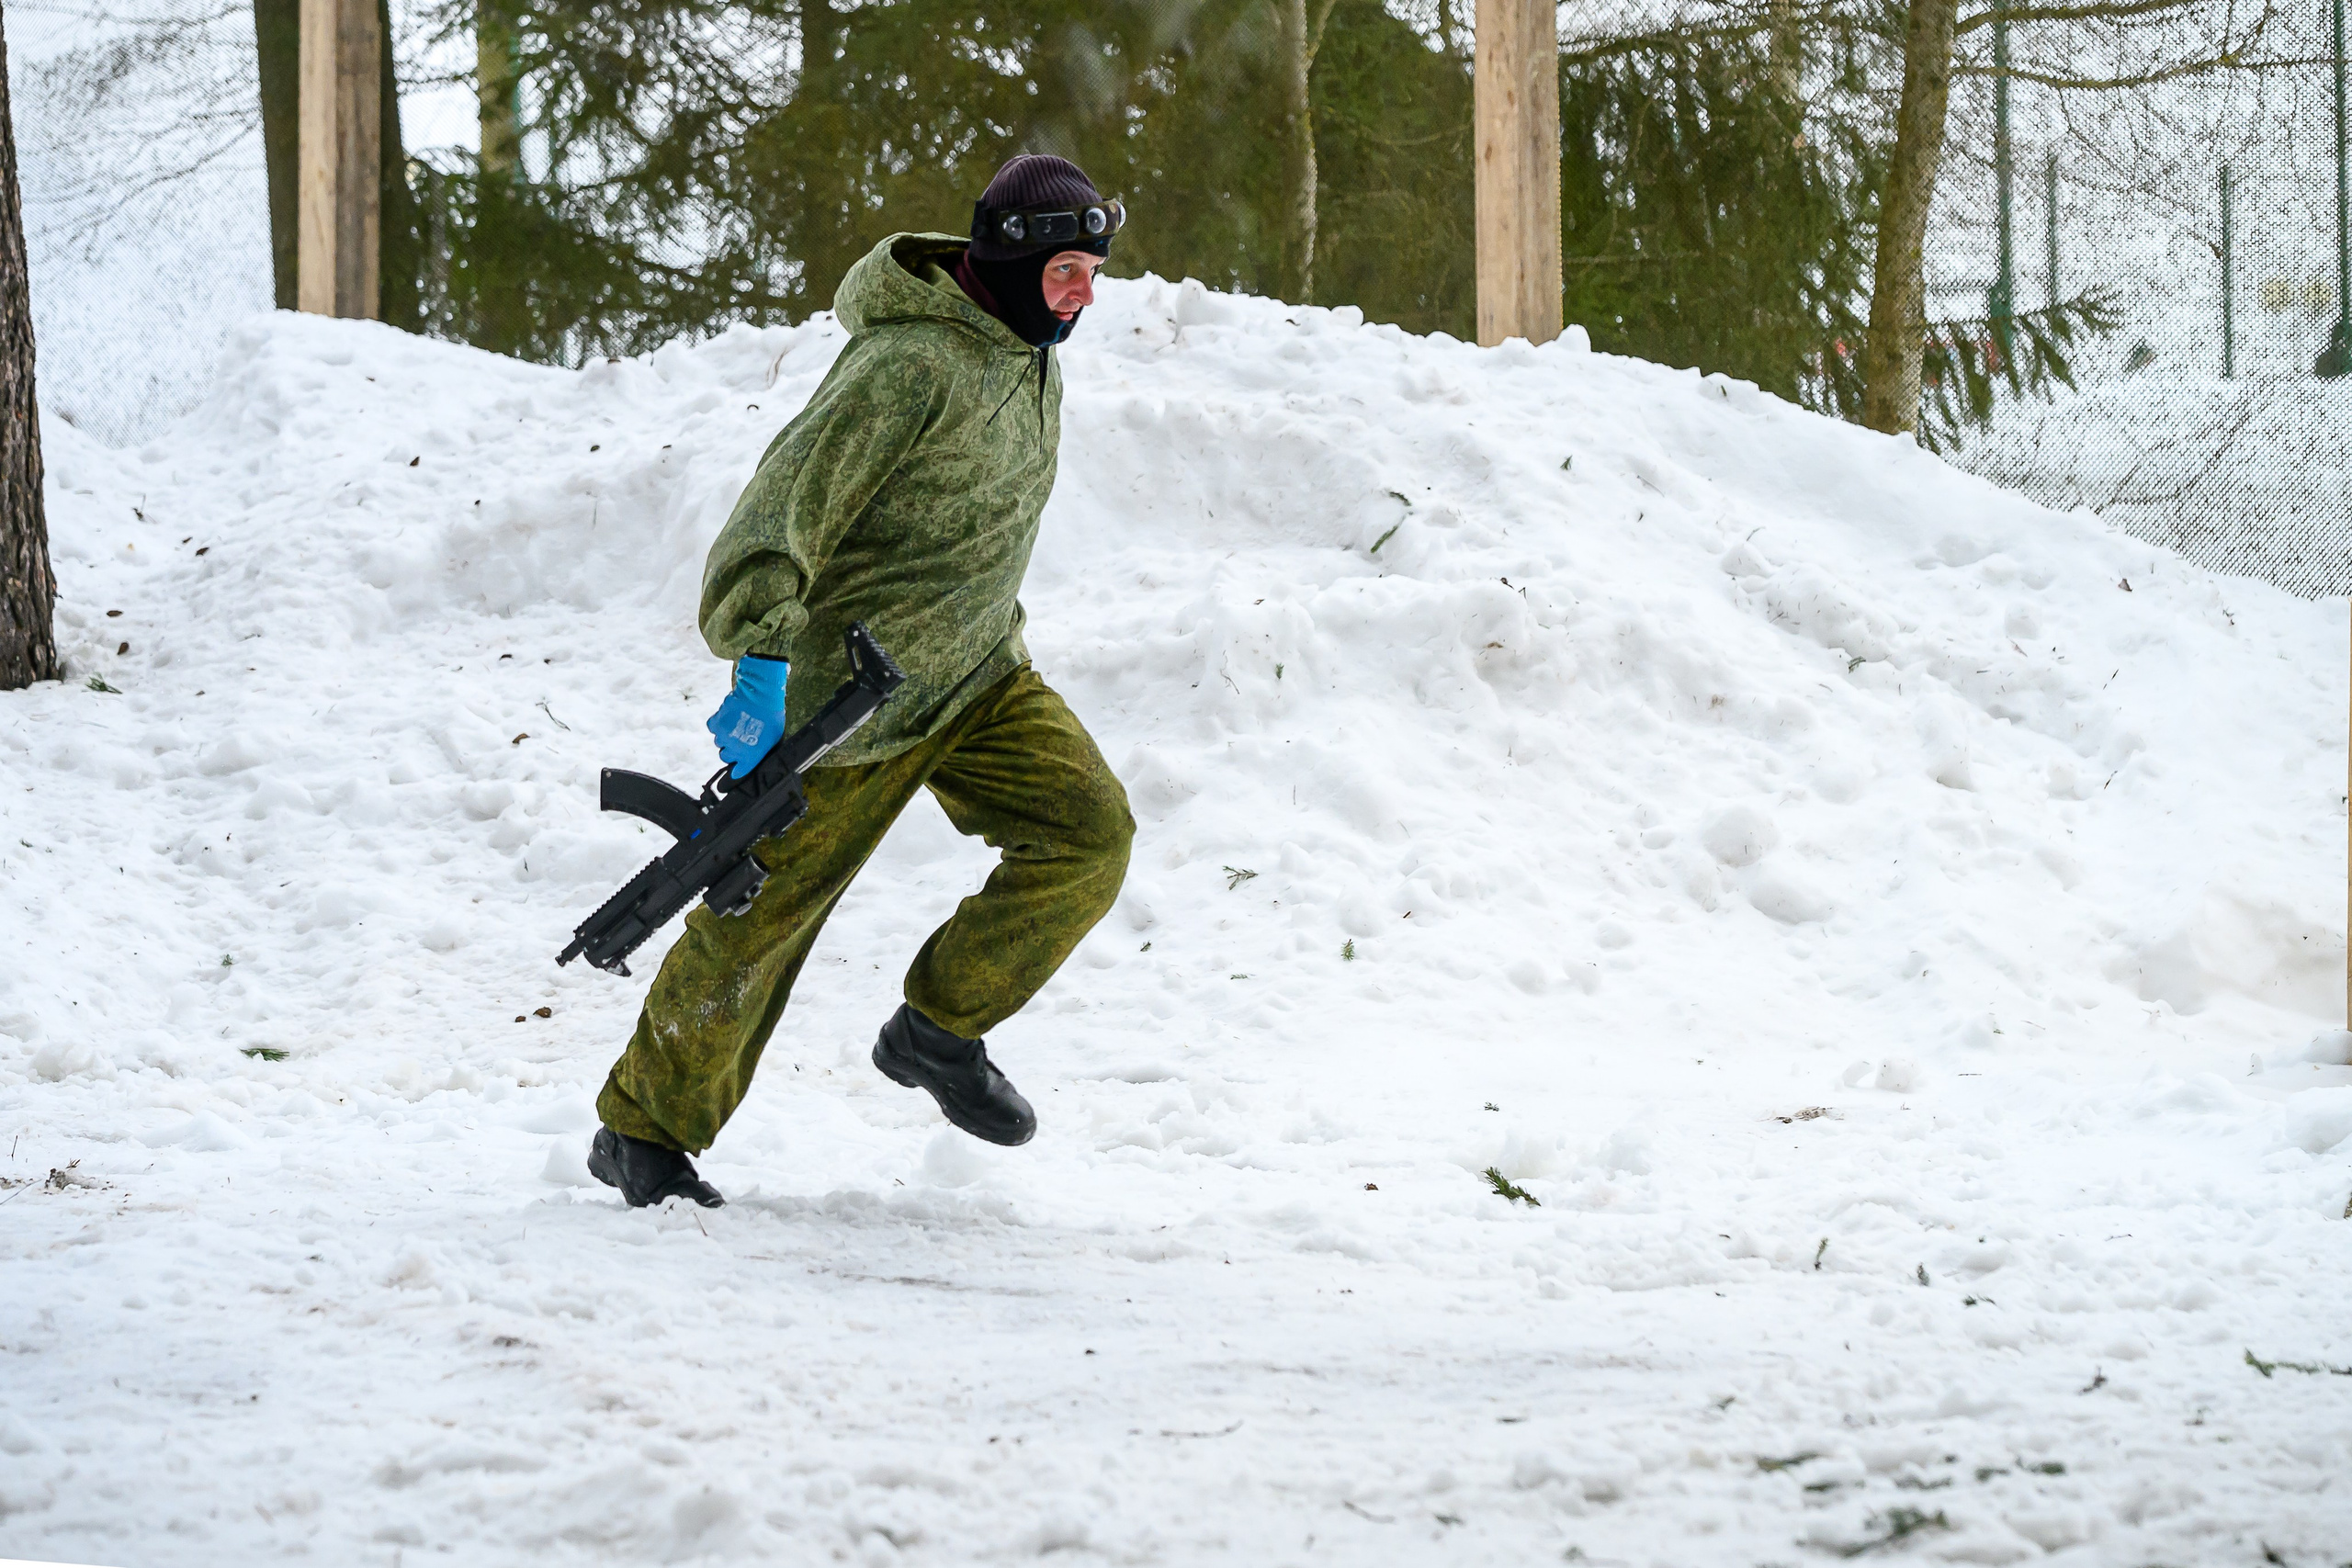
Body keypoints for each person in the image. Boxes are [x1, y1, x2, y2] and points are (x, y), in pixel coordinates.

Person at [585, 154, 1136, 1209]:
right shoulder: (905, 368)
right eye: (1069, 271)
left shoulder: (1027, 352)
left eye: (1091, 273)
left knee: (1087, 833)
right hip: (852, 704)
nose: (1084, 297)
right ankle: (641, 1134)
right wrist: (759, 651)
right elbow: (780, 510)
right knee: (758, 919)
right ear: (1014, 260)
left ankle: (937, 1029)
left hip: (978, 676)